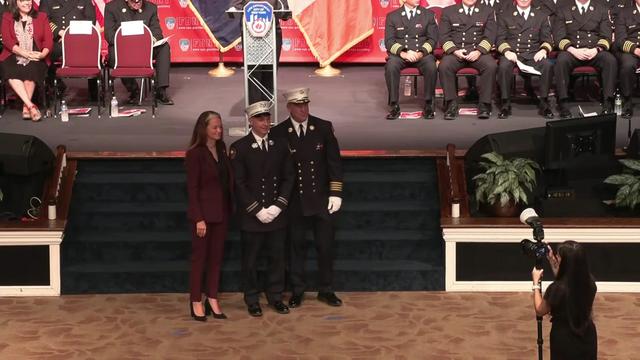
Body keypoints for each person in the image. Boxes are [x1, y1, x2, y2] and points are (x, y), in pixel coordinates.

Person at [271, 88, 344, 308]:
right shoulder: (280, 133)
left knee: (325, 246)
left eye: (306, 105)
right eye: (298, 106)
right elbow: (277, 171)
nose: (303, 109)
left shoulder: (322, 127)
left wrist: (336, 192)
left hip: (321, 199)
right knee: (296, 247)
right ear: (289, 108)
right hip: (295, 201)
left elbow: (334, 163)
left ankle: (326, 289)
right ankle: (297, 290)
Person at [229, 101, 294, 317]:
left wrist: (278, 206)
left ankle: (275, 296)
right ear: (250, 121)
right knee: (251, 259)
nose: (266, 123)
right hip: (252, 215)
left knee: (277, 258)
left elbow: (288, 177)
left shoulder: (280, 144)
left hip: (276, 214)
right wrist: (257, 210)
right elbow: (239, 183)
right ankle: (252, 298)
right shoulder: (240, 148)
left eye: (267, 118)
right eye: (260, 119)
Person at [185, 111, 233, 322]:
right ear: (203, 129)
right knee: (200, 260)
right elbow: (192, 189)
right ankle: (196, 300)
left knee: (216, 259)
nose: (219, 131)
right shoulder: (195, 153)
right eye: (215, 127)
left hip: (222, 212)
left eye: (220, 127)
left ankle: (212, 297)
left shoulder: (222, 148)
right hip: (203, 216)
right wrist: (198, 218)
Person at [532, 240, 598, 359]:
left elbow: (540, 310)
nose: (556, 257)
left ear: (566, 262)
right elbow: (568, 279)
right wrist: (552, 261)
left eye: (559, 257)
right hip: (587, 335)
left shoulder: (556, 289)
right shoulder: (590, 283)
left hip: (564, 338)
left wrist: (536, 283)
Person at [553, 0, 617, 118]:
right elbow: (559, 37)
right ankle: (563, 103)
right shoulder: (563, 9)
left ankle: (608, 102)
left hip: (594, 50)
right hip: (572, 50)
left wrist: (596, 50)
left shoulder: (601, 8)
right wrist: (573, 50)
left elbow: (606, 36)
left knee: (610, 60)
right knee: (561, 60)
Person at [104, 0, 173, 105]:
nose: (137, 4)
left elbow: (157, 32)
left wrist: (150, 40)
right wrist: (129, 40)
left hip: (144, 50)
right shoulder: (111, 8)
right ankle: (133, 90)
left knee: (164, 47)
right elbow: (109, 35)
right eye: (134, 2)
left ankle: (161, 90)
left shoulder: (151, 8)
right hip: (123, 49)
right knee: (113, 55)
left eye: (139, 1)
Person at [438, 0, 497, 120]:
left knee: (491, 65)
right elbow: (444, 36)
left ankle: (484, 104)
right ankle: (451, 104)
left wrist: (479, 51)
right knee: (444, 66)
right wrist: (455, 51)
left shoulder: (487, 11)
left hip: (478, 51)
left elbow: (490, 35)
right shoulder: (448, 11)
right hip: (456, 51)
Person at [495, 0, 554, 119]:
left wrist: (543, 50)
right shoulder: (504, 15)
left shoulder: (541, 15)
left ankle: (544, 102)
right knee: (503, 66)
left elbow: (547, 40)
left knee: (547, 65)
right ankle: (505, 104)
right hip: (512, 53)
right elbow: (500, 40)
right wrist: (507, 51)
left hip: (533, 53)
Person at [383, 0, 439, 120]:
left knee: (431, 65)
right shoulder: (392, 16)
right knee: (391, 65)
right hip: (402, 54)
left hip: (422, 53)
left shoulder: (428, 14)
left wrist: (420, 53)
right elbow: (389, 41)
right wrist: (403, 53)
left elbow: (433, 40)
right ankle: (394, 104)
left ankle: (429, 103)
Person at [0, 0, 53, 122]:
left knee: (32, 68)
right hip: (13, 52)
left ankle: (27, 106)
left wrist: (42, 54)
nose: (27, 3)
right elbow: (7, 40)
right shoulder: (7, 17)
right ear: (16, 3)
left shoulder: (41, 16)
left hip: (36, 52)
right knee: (10, 69)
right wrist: (23, 53)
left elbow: (48, 39)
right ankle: (30, 105)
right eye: (23, 1)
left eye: (29, 0)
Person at [230, 0, 291, 104]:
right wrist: (237, 8)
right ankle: (255, 109)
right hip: (250, 34)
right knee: (253, 73)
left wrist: (281, 10)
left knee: (270, 72)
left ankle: (267, 106)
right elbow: (234, 7)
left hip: (272, 32)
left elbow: (284, 11)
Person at [39, 0, 97, 98]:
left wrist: (71, 34)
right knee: (45, 55)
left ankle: (94, 91)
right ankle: (55, 85)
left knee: (94, 56)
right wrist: (59, 32)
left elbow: (91, 20)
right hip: (57, 39)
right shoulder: (47, 1)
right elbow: (43, 20)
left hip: (80, 39)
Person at [614, 0, 640, 118]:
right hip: (630, 50)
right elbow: (620, 39)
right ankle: (627, 102)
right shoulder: (624, 13)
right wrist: (635, 49)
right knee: (628, 65)